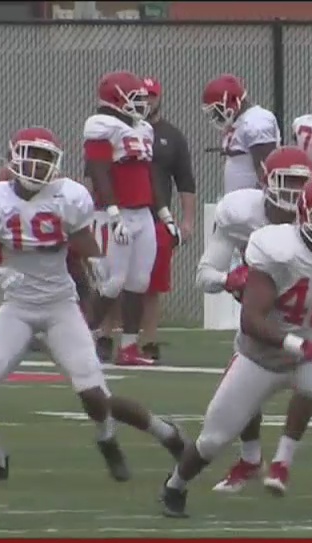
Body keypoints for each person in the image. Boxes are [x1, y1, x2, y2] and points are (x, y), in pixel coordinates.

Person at [0, 127, 181, 487]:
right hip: (17, 305)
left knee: (94, 395)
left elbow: (85, 247)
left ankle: (107, 438)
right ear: (13, 157)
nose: (36, 165)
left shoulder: (68, 197)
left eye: (45, 158)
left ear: (57, 164)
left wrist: (97, 267)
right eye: (30, 156)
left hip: (59, 305)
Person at [161, 175, 312, 519]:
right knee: (213, 441)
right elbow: (252, 320)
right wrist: (304, 347)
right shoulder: (276, 248)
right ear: (305, 214)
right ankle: (175, 485)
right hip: (262, 359)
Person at [198, 146, 312, 494]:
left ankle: (282, 462)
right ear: (267, 181)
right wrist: (228, 280)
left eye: (302, 184)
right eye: (289, 182)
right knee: (243, 387)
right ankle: (251, 460)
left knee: (310, 378)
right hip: (261, 311)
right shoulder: (241, 212)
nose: (295, 193)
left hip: (309, 307)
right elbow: (205, 275)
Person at [82, 70, 180, 366]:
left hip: (142, 213)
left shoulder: (143, 130)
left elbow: (148, 174)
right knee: (113, 283)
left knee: (138, 282)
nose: (142, 104)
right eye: (135, 98)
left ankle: (129, 347)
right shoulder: (101, 126)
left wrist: (164, 213)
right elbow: (98, 171)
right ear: (115, 99)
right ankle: (82, 340)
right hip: (115, 213)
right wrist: (113, 213)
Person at [117, 76, 196, 362]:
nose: (146, 102)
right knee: (113, 281)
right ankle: (104, 336)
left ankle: (147, 340)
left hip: (155, 217)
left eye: (151, 96)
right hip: (121, 213)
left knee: (150, 284)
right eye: (141, 96)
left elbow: (185, 180)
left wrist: (186, 221)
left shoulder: (170, 136)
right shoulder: (117, 130)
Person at [203, 73, 279, 195]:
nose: (216, 115)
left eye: (218, 108)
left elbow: (267, 170)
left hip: (252, 203)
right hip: (239, 201)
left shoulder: (257, 120)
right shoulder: (240, 121)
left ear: (233, 100)